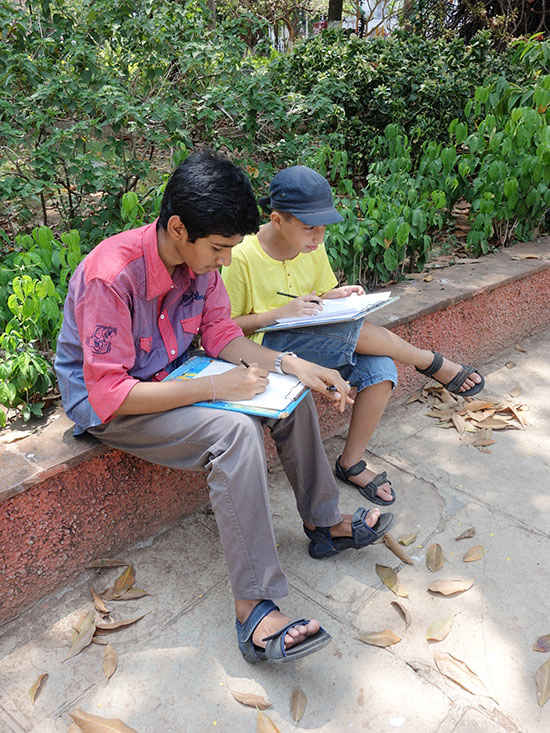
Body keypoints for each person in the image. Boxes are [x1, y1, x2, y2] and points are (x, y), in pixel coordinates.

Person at [54, 151, 395, 665]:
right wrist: (217, 391)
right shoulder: (111, 275)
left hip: (169, 376)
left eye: (232, 248)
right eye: (218, 249)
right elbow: (109, 394)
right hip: (114, 406)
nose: (226, 262)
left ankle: (325, 525)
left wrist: (290, 364)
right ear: (176, 228)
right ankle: (255, 607)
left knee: (286, 395)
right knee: (232, 433)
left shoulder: (202, 265)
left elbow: (219, 335)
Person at [221, 166, 485, 506]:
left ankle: (350, 463)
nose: (318, 238)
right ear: (276, 220)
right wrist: (277, 314)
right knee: (351, 334)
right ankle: (431, 362)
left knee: (381, 370)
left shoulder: (310, 247)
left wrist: (337, 295)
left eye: (323, 229)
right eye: (309, 228)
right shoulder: (241, 257)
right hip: (267, 350)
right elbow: (224, 331)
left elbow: (318, 294)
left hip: (314, 337)